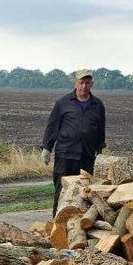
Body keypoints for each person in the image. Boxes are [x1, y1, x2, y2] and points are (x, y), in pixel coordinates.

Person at [41, 69, 106, 215]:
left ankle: (82, 224)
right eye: (81, 82)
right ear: (75, 83)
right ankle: (57, 222)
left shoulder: (98, 105)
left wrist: (100, 148)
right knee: (62, 189)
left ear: (92, 84)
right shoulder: (62, 103)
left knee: (84, 191)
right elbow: (52, 126)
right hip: (65, 155)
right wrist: (47, 148)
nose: (84, 86)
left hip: (87, 156)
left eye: (87, 83)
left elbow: (101, 128)